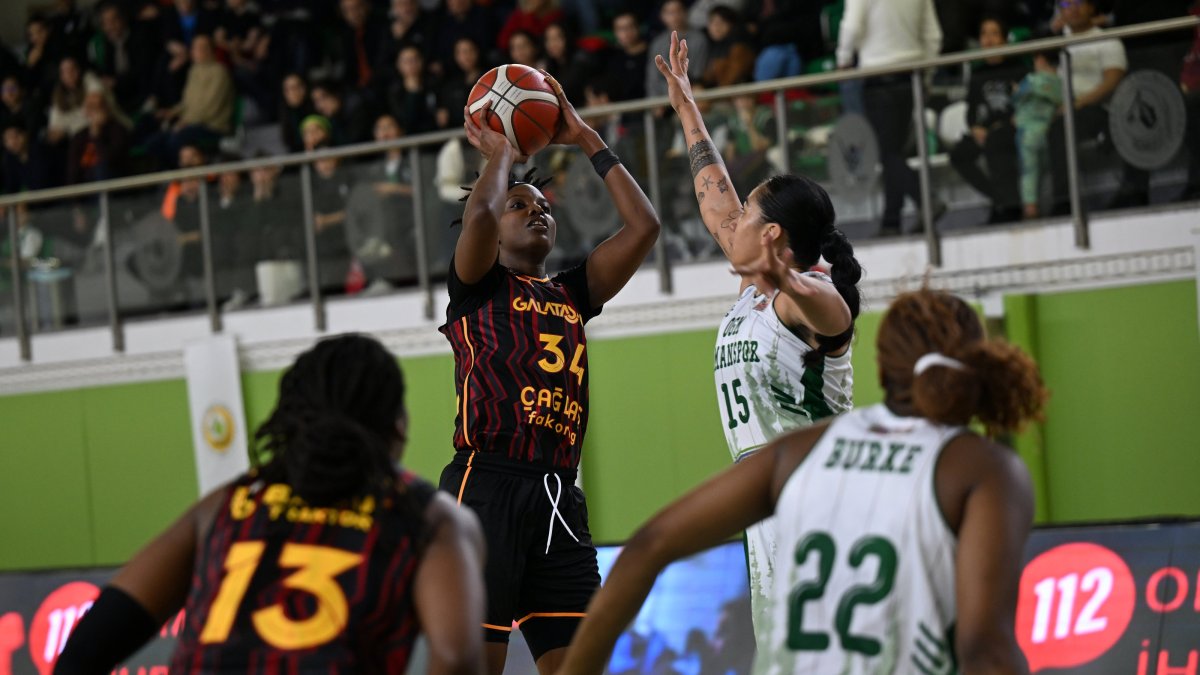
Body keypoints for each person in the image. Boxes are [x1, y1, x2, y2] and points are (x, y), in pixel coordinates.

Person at [556, 288, 1047, 675]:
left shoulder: (800, 450)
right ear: (980, 366)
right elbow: (985, 650)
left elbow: (647, 547)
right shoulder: (983, 469)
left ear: (882, 366)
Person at [54, 334, 488, 674]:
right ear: (399, 425)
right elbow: (455, 657)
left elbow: (86, 648)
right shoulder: (429, 515)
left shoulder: (232, 500)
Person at [440, 72, 660, 675]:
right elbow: (480, 217)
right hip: (484, 487)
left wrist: (585, 135)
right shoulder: (477, 288)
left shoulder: (571, 292)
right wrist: (504, 152)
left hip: (559, 493)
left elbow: (645, 227)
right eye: (520, 205)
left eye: (542, 207)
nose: (536, 212)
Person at [655, 31, 864, 640]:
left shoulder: (806, 296)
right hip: (766, 500)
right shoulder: (754, 286)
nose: (732, 220)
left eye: (748, 213)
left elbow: (837, 315)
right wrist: (687, 108)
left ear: (772, 235)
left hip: (819, 498)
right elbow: (712, 197)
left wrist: (787, 278)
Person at [837, 0, 944, 236]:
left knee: (887, 152)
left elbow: (852, 27)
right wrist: (926, 74)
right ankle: (891, 220)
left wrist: (843, 60)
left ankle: (925, 200)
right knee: (893, 151)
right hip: (911, 75)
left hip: (877, 74)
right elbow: (933, 36)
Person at [1046, 0, 1127, 215]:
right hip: (1063, 108)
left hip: (1099, 109)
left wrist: (1079, 103)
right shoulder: (1055, 41)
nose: (1071, 7)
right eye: (1065, 3)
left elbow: (1113, 80)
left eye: (1077, 2)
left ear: (1091, 6)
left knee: (1060, 129)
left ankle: (1065, 202)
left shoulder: (1106, 39)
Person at [948, 16, 1022, 224]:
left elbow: (1025, 104)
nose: (988, 39)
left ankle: (1010, 207)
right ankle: (1001, 199)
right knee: (959, 154)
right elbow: (970, 109)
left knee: (996, 143)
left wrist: (1005, 124)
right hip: (985, 131)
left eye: (994, 34)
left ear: (1004, 39)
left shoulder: (1017, 68)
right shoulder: (977, 73)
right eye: (984, 34)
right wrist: (974, 128)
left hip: (1010, 127)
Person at [1015, 52, 1063, 219]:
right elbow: (1060, 102)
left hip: (1027, 133)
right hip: (1046, 131)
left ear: (1041, 60)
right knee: (1044, 170)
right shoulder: (1059, 81)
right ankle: (1044, 205)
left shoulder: (1030, 80)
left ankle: (1031, 208)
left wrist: (1016, 90)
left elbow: (1015, 97)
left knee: (1029, 171)